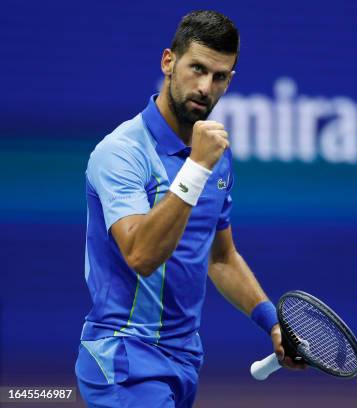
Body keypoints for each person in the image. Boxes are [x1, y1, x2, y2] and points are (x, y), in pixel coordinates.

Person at [75, 10, 304, 407]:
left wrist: (271, 323)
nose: (204, 87)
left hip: (184, 361)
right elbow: (141, 255)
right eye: (196, 69)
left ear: (230, 81)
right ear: (169, 62)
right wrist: (195, 167)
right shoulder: (121, 153)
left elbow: (221, 257)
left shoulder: (215, 158)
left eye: (219, 77)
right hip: (123, 360)